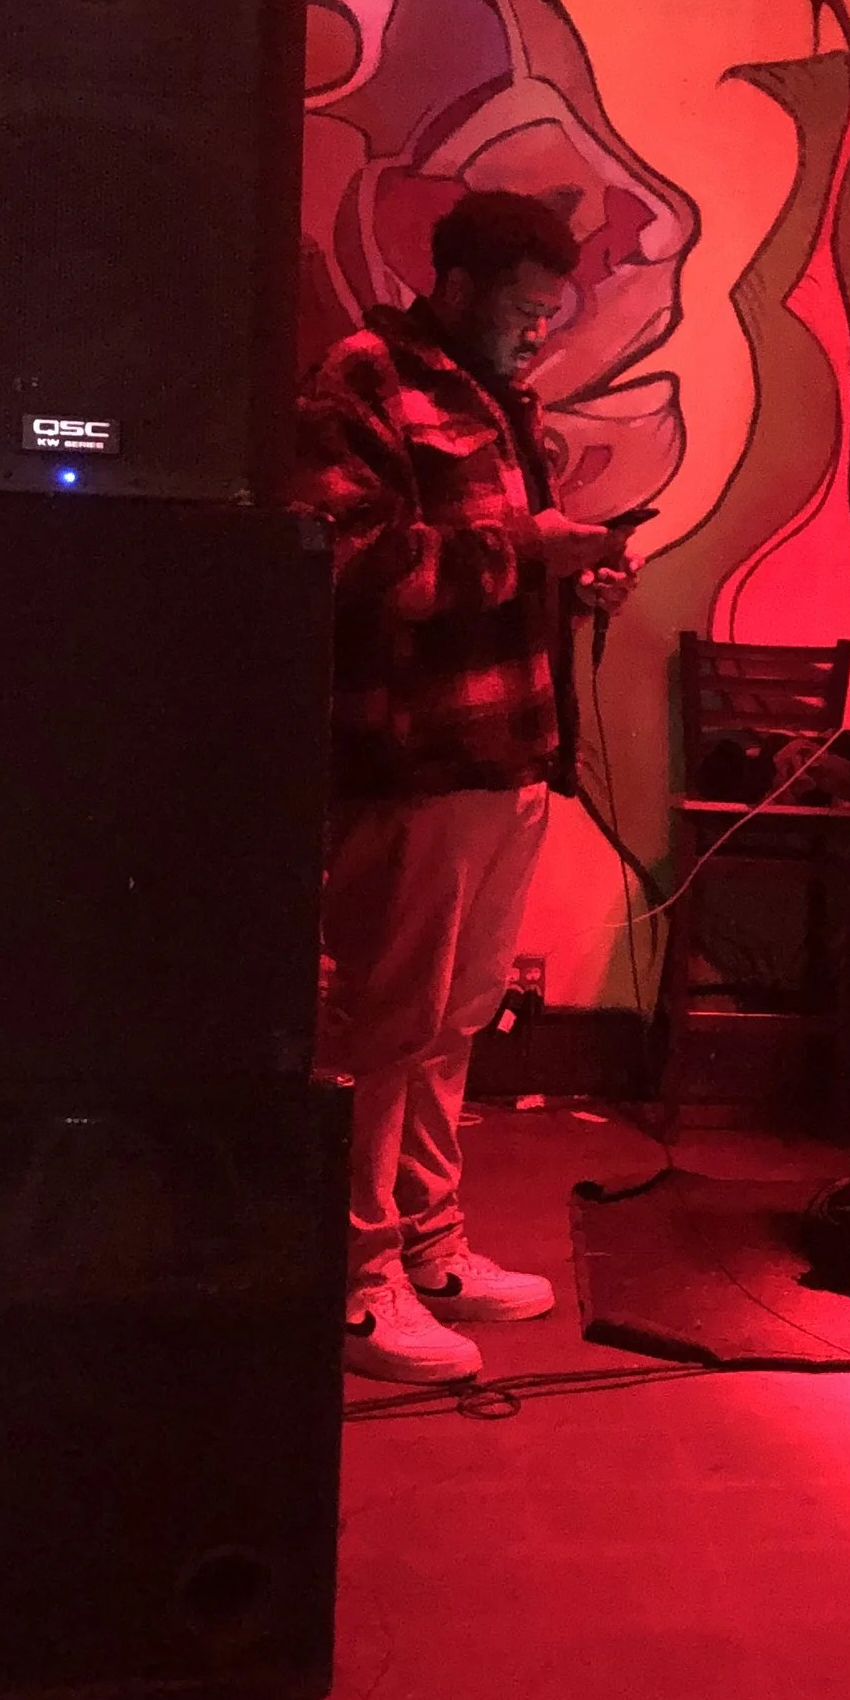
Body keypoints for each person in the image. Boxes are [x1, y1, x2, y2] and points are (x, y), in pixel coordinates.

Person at [297, 188, 638, 1385]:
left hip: (505, 751)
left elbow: (488, 566)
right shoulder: (365, 377)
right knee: (384, 1026)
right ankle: (356, 1281)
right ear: (454, 286)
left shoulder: (501, 397)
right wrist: (525, 553)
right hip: (413, 758)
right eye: (525, 309)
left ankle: (429, 1244)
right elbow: (348, 563)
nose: (540, 331)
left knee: (454, 1021)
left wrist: (570, 581)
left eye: (551, 311)